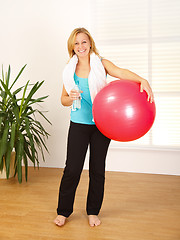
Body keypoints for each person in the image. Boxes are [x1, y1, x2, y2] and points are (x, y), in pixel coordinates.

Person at [54, 27, 154, 227]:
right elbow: (63, 99)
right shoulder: (69, 69)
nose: (80, 46)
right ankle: (63, 211)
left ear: (90, 43)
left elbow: (121, 72)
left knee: (97, 170)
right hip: (79, 125)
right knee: (72, 169)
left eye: (84, 42)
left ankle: (93, 211)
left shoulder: (101, 63)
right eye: (76, 43)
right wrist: (70, 98)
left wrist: (142, 79)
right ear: (72, 47)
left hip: (102, 125)